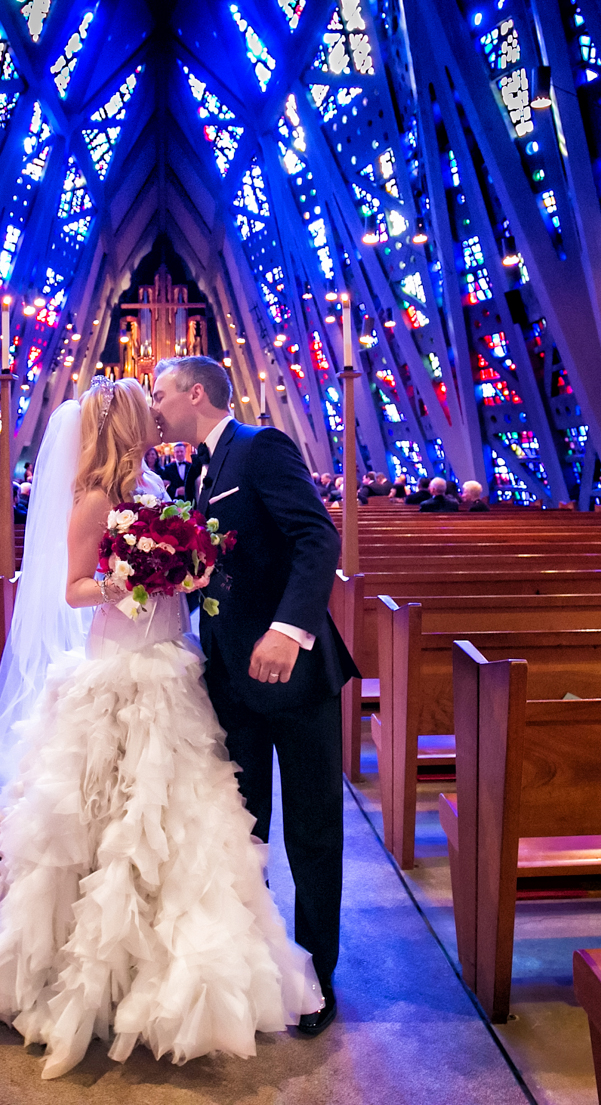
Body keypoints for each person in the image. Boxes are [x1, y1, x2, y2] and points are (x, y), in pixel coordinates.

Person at [0, 376, 324, 1077]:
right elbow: (73, 589)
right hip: (122, 667)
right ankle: (100, 982)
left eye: (160, 404)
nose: (155, 415)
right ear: (121, 421)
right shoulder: (94, 493)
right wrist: (138, 575)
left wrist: (182, 568)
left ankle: (177, 974)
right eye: (144, 410)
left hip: (173, 662)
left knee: (184, 823)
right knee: (115, 825)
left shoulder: (155, 479)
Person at [152, 356, 357, 1031]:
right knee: (244, 832)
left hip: (294, 679)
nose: (154, 406)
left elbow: (314, 537)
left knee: (311, 831)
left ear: (196, 393)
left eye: (160, 393)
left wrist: (287, 628)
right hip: (230, 683)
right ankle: (262, 968)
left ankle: (318, 978)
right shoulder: (203, 468)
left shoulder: (258, 447)